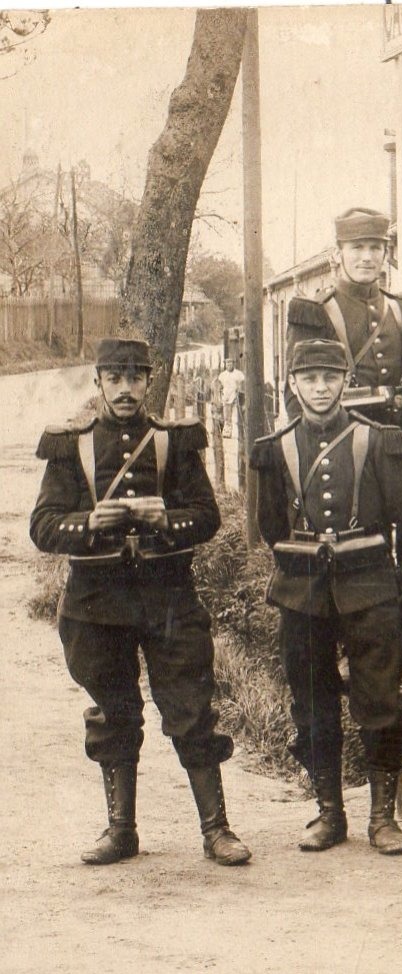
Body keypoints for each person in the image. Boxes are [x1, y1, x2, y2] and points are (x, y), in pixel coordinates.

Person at [31, 336, 250, 867]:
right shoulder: (71, 445)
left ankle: (216, 830)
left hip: (168, 599)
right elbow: (42, 526)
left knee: (191, 710)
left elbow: (206, 516)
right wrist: (87, 523)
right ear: (99, 382)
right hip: (95, 604)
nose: (125, 389)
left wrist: (164, 520)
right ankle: (121, 830)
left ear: (150, 381)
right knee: (113, 712)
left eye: (135, 378)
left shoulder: (174, 443)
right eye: (115, 378)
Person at [249, 338, 402, 856]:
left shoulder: (379, 440)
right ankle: (329, 812)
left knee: (380, 700)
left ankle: (382, 818)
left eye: (330, 378)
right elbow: (271, 527)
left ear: (345, 381)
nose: (321, 388)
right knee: (312, 702)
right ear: (293, 385)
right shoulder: (275, 447)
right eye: (310, 379)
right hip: (304, 594)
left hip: (370, 588)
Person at [285, 206, 402, 691]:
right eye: (358, 249)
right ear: (339, 255)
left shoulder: (401, 306)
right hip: (344, 445)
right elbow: (300, 388)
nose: (368, 257)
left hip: (396, 443)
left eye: (376, 248)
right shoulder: (317, 310)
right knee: (360, 546)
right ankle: (353, 648)